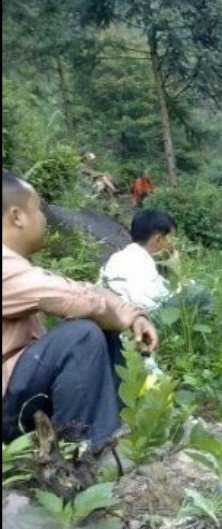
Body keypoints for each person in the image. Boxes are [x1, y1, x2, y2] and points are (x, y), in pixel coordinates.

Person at [2, 171, 158, 447]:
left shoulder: (17, 269)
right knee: (81, 334)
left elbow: (81, 289)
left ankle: (113, 436)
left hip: (16, 394)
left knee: (95, 325)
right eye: (38, 210)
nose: (43, 218)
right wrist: (120, 316)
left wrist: (131, 313)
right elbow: (78, 299)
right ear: (17, 217)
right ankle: (85, 453)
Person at [99, 209, 174, 312]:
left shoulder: (120, 256)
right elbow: (151, 301)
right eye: (171, 238)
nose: (172, 244)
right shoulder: (142, 261)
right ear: (158, 239)